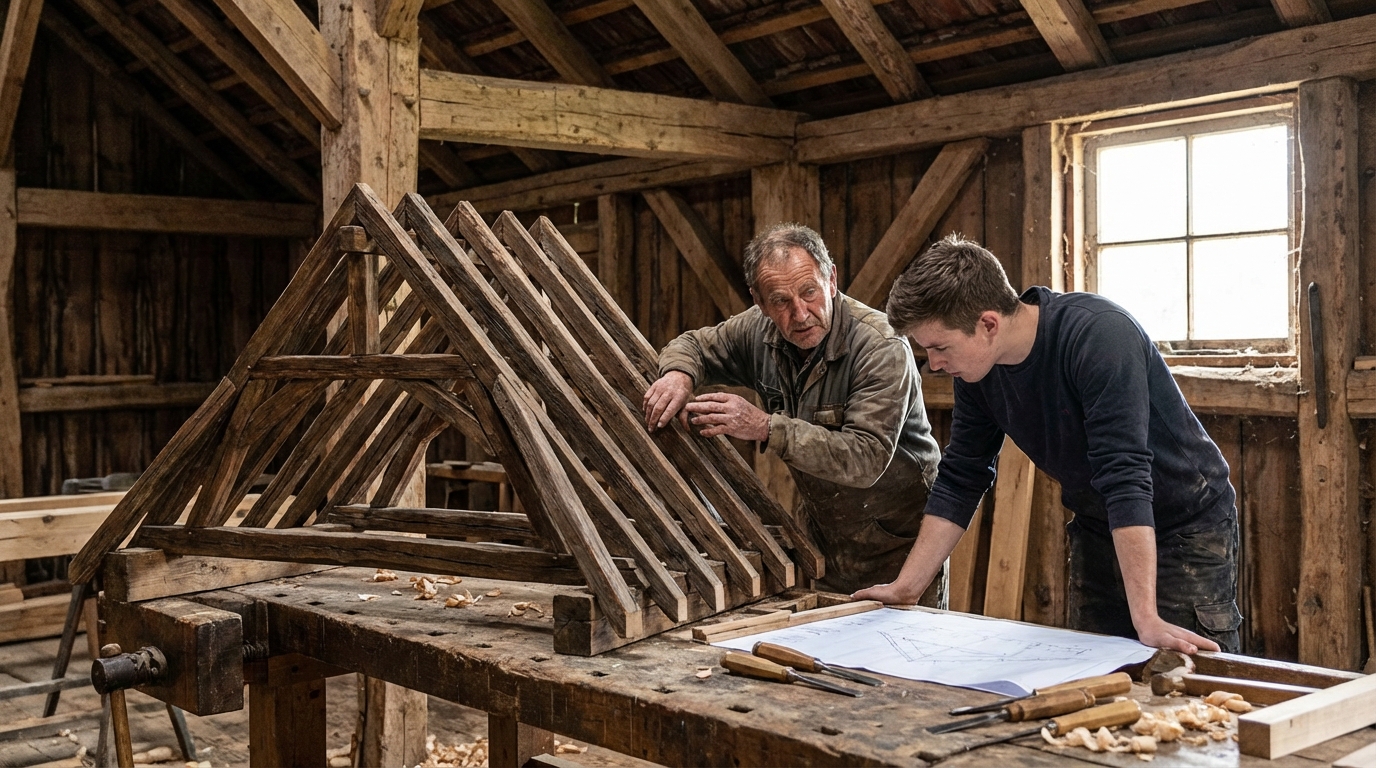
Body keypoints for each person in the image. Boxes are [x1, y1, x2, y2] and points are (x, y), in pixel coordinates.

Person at [855, 235, 1241, 654]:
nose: (934, 364)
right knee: (1098, 669)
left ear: (988, 324)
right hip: (1098, 525)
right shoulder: (976, 372)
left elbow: (1125, 476)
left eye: (939, 347)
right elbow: (961, 475)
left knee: (1189, 677)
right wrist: (906, 587)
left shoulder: (1099, 335)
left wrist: (1145, 617)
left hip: (1185, 522)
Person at [642, 223, 945, 601]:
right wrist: (678, 376)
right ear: (759, 301)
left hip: (901, 552)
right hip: (822, 545)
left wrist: (766, 427)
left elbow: (866, 459)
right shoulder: (759, 332)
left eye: (809, 292)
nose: (800, 314)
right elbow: (693, 345)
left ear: (831, 279)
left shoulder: (879, 347)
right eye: (781, 301)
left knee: (905, 655)